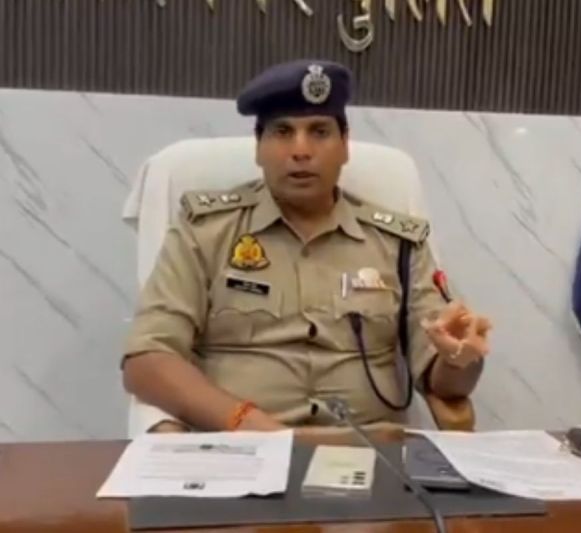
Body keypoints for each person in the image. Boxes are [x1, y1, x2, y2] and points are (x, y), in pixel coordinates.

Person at [121, 59, 492, 433]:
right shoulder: (205, 231)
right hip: (242, 449)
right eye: (283, 131)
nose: (301, 150)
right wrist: (252, 426)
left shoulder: (398, 243)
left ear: (345, 145)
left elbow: (444, 383)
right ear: (258, 147)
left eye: (319, 131)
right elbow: (147, 359)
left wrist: (459, 359)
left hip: (369, 451)